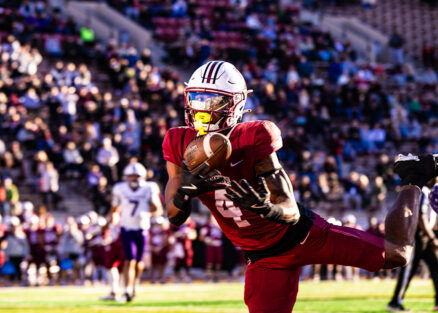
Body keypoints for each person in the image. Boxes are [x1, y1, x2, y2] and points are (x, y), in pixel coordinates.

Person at [162, 60, 438, 313]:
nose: (202, 108)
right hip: (262, 258)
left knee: (397, 254)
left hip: (303, 235)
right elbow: (174, 216)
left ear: (235, 103)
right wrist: (186, 189)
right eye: (197, 98)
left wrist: (265, 207)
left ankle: (412, 177)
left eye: (213, 100)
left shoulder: (254, 135)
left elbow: (290, 210)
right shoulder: (177, 141)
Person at [111, 162, 163, 302]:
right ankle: (128, 289)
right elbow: (114, 210)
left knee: (139, 261)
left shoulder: (149, 188)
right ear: (126, 177)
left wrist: (149, 214)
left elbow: (158, 209)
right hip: (126, 228)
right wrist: (114, 221)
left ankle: (135, 283)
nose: (134, 179)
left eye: (136, 176)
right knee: (130, 259)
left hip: (142, 228)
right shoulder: (120, 189)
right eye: (131, 176)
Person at [387, 179, 438, 312]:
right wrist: (432, 237)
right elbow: (420, 216)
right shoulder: (424, 191)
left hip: (425, 236)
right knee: (408, 270)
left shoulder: (432, 192)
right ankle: (395, 302)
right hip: (417, 236)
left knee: (436, 267)